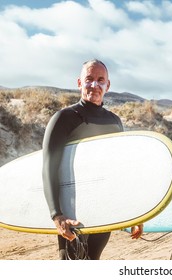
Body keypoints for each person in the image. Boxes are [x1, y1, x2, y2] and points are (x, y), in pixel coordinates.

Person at [42, 59, 143, 260]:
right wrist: (56, 214)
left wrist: (134, 213)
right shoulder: (64, 118)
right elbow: (49, 167)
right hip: (72, 211)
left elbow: (119, 171)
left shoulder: (114, 122)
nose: (94, 85)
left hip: (103, 208)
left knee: (93, 260)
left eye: (100, 80)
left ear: (108, 85)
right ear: (79, 83)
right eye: (89, 79)